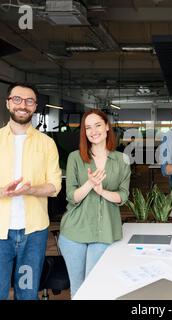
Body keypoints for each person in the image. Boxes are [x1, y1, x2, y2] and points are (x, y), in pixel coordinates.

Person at [0, 83, 62, 300]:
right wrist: (2, 192)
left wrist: (32, 189)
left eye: (29, 101)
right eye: (17, 99)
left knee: (27, 294)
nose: (23, 105)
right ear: (8, 103)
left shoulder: (47, 144)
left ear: (35, 107)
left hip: (33, 234)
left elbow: (55, 186)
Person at [58, 109, 131, 298]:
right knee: (77, 289)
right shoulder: (76, 157)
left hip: (104, 231)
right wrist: (90, 184)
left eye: (98, 125)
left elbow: (123, 196)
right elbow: (71, 196)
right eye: (88, 127)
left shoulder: (121, 160)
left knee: (94, 287)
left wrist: (102, 191)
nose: (93, 131)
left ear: (107, 126)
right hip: (74, 231)